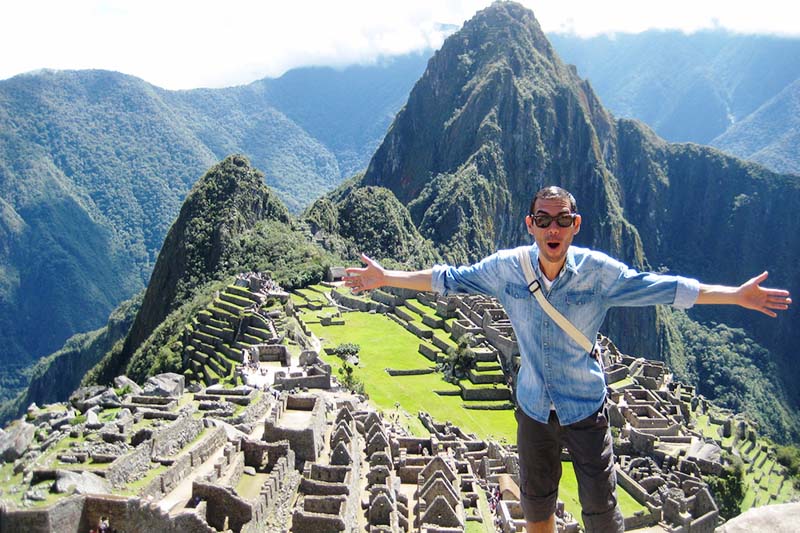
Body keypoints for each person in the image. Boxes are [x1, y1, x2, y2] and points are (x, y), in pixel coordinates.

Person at [344, 186, 792, 533]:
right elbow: (449, 280)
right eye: (544, 220)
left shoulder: (599, 273)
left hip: (585, 409)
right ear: (531, 225)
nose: (553, 229)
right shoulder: (507, 268)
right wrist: (386, 278)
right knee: (537, 505)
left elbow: (665, 288)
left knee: (601, 510)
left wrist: (735, 296)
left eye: (562, 220)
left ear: (575, 225)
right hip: (535, 409)